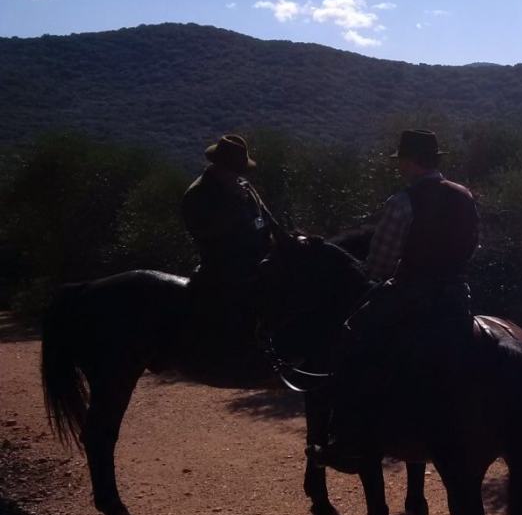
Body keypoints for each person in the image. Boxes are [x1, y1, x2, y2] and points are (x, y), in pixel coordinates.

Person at [313, 129, 479, 473]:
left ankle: (348, 439)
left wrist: (380, 275)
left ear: (409, 161)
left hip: (412, 295)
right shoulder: (465, 196)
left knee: (350, 337)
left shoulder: (402, 202)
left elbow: (379, 264)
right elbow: (472, 245)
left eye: (401, 159)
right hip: (457, 295)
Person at [181, 134, 272, 372]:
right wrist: (235, 207)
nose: (239, 175)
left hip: (258, 254)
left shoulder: (243, 187)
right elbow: (206, 233)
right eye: (234, 170)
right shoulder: (199, 194)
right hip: (224, 263)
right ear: (220, 167)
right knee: (241, 293)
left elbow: (265, 218)